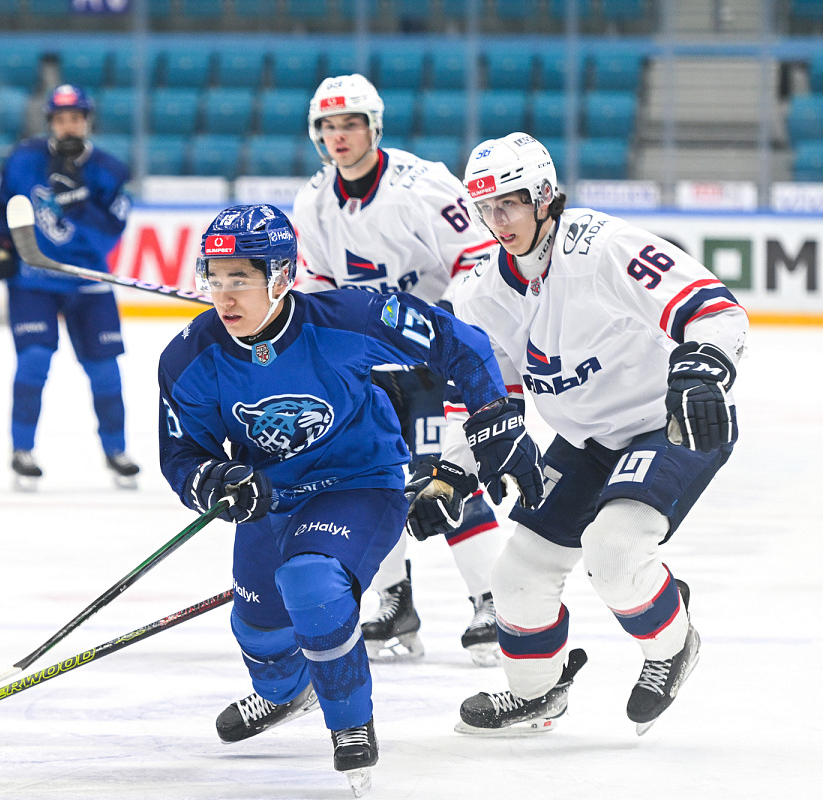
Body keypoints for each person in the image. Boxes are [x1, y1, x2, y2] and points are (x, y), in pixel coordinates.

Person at [156, 204, 544, 792]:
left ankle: (351, 726)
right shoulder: (189, 358)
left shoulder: (350, 317)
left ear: (281, 277)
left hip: (359, 483)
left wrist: (492, 416)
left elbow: (459, 343)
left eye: (241, 278)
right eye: (214, 276)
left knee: (310, 582)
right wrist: (215, 480)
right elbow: (183, 454)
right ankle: (286, 692)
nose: (224, 295)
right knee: (258, 631)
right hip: (272, 498)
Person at [428, 132, 747, 736]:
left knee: (614, 551)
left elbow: (714, 308)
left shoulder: (602, 245)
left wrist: (704, 370)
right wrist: (452, 473)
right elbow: (486, 401)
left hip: (668, 422)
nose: (499, 222)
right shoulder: (480, 293)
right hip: (585, 440)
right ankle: (537, 692)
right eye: (487, 208)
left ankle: (673, 643)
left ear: (544, 196)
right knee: (517, 577)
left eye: (510, 204)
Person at [292, 73, 504, 666]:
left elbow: (478, 256)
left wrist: (443, 323)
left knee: (448, 476)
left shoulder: (423, 184)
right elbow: (319, 285)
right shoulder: (313, 200)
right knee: (374, 480)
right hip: (371, 366)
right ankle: (394, 600)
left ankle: (492, 601)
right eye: (328, 127)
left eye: (351, 124)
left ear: (374, 127)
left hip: (434, 359)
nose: (339, 136)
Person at [0, 84, 139, 489]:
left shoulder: (109, 171)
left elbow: (108, 236)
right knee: (34, 361)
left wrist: (78, 205)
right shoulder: (24, 159)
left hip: (88, 282)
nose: (68, 126)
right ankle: (22, 450)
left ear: (87, 121)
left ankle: (116, 451)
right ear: (51, 122)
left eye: (75, 118)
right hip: (32, 280)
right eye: (60, 119)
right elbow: (0, 205)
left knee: (105, 372)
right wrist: (1, 245)